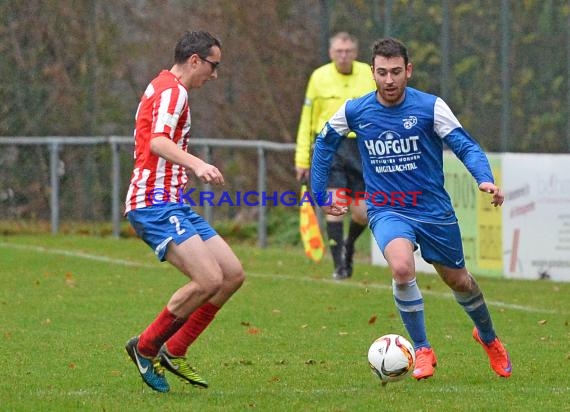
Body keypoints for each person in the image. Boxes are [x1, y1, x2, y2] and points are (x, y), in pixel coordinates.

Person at [310, 37, 511, 380]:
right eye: (382, 72)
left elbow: (465, 145)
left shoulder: (430, 107)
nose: (389, 80)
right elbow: (324, 143)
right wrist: (320, 194)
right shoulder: (355, 110)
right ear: (372, 72)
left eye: (396, 72)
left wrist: (484, 178)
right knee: (402, 268)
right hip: (387, 208)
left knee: (459, 281)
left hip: (433, 210)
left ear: (409, 71)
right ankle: (422, 349)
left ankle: (488, 337)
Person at [123, 31, 245, 392]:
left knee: (232, 274)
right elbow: (157, 141)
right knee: (208, 280)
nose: (215, 74)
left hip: (172, 202)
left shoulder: (166, 87)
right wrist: (197, 164)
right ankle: (145, 348)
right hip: (153, 203)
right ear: (195, 60)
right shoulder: (173, 90)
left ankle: (174, 349)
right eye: (214, 65)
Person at [295, 32, 375, 280]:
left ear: (355, 52)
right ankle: (339, 264)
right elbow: (307, 118)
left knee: (362, 211)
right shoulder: (319, 77)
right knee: (334, 205)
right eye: (339, 51)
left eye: (348, 51)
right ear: (331, 53)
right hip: (329, 147)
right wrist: (302, 159)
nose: (343, 55)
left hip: (361, 148)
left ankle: (349, 245)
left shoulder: (368, 74)